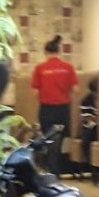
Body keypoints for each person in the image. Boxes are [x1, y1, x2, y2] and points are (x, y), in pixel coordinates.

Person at [32, 36, 78, 172]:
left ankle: (50, 169)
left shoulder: (40, 68)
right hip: (63, 109)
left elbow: (34, 92)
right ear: (59, 51)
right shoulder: (68, 67)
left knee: (48, 138)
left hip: (46, 109)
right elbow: (76, 89)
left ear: (45, 52)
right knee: (59, 140)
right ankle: (56, 169)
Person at [78, 77, 99, 181]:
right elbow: (87, 119)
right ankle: (94, 168)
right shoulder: (86, 100)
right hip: (90, 127)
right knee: (86, 141)